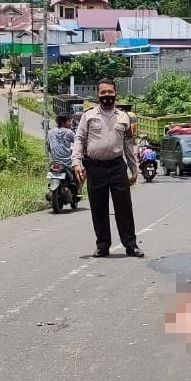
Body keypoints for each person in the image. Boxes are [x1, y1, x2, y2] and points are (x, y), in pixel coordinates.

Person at [72, 79, 144, 258]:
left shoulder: (124, 117)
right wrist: (76, 162)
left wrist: (134, 169)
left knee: (124, 208)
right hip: (95, 168)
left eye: (109, 92)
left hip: (117, 167)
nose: (106, 96)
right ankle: (103, 245)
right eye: (103, 92)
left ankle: (131, 245)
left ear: (115, 93)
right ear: (97, 95)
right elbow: (79, 140)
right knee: (98, 208)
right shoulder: (88, 116)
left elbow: (128, 145)